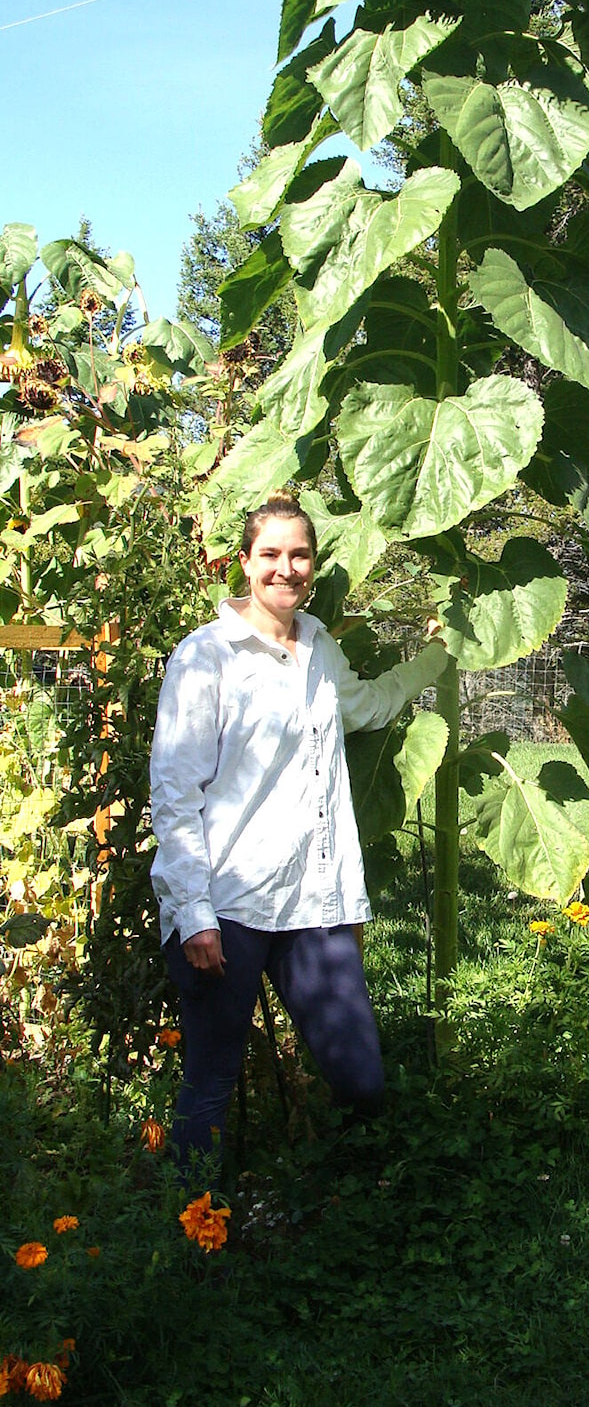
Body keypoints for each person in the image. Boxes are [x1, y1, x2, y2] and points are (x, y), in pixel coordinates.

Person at [150, 491, 447, 1171]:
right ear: (245, 564)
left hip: (311, 902)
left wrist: (437, 655)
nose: (287, 568)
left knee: (360, 1078)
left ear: (313, 564)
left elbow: (366, 707)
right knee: (209, 1085)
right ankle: (191, 1249)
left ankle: (341, 1229)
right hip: (226, 906)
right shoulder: (207, 657)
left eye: (301, 554)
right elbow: (173, 791)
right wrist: (192, 910)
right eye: (272, 554)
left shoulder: (318, 647)